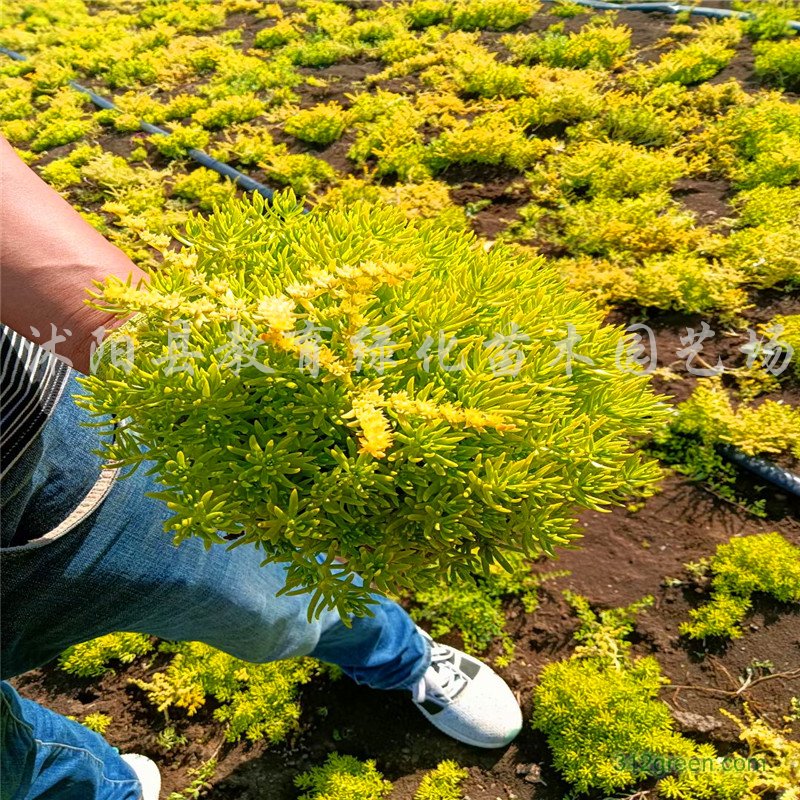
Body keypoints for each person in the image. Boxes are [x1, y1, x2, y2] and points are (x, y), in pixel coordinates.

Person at [0, 136, 522, 800]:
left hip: (41, 448)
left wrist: (174, 364)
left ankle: (401, 656)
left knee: (271, 598)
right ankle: (97, 785)